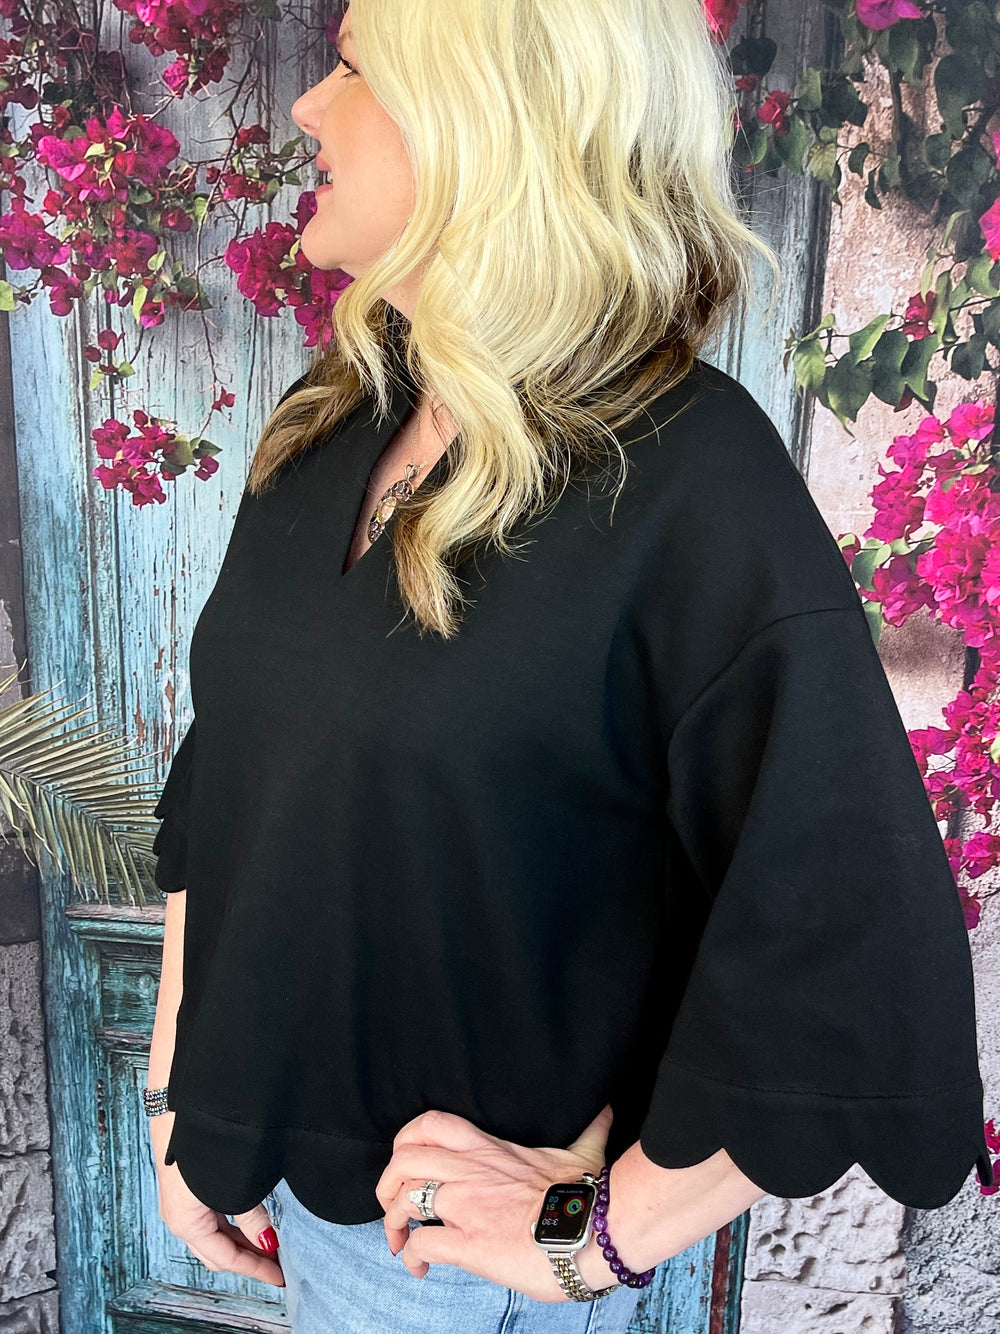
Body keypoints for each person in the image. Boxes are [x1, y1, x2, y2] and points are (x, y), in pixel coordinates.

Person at [145, 0, 994, 1330]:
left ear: (488, 120)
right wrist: (182, 1105)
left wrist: (595, 1237)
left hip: (460, 1274)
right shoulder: (337, 420)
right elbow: (226, 784)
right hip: (305, 1208)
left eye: (356, 67)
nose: (306, 106)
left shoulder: (687, 476)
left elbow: (849, 934)